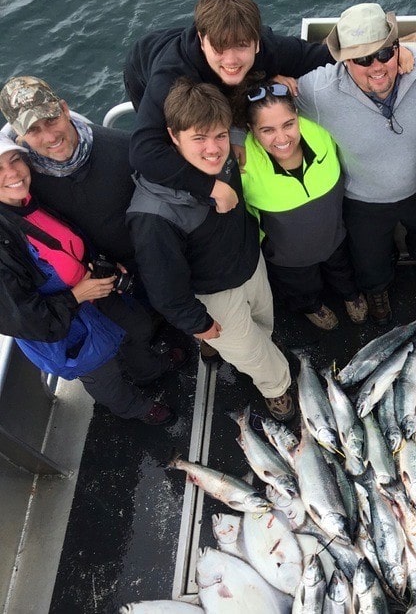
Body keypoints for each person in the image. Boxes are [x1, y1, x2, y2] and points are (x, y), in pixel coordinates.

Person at [126, 78, 295, 421]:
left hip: (249, 262)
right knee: (254, 355)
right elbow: (164, 288)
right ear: (173, 136)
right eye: (198, 138)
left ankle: (226, 346)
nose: (213, 149)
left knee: (264, 322)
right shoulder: (153, 217)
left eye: (219, 135)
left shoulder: (227, 155)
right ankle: (276, 388)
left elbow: (233, 130)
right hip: (213, 296)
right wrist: (198, 323)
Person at [0, 136, 183, 426]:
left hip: (96, 299)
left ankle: (150, 369)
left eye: (15, 160)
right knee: (104, 375)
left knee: (131, 335)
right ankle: (134, 407)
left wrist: (102, 263)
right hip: (68, 332)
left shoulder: (31, 198)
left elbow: (71, 240)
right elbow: (26, 319)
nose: (11, 173)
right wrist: (76, 296)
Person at [296, 3, 416, 324]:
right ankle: (377, 291)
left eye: (384, 53)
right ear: (344, 60)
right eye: (362, 59)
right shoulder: (317, 91)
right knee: (369, 260)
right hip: (363, 199)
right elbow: (262, 81)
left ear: (397, 48)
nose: (376, 66)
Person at [123, 0, 334, 215]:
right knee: (183, 141)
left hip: (203, 57)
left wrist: (264, 79)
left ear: (257, 43)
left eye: (242, 45)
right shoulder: (170, 79)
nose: (231, 60)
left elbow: (323, 56)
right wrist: (211, 188)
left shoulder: (269, 48)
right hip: (145, 67)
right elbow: (143, 150)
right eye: (220, 47)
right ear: (202, 41)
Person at [241, 81, 367, 330]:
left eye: (288, 124)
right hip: (288, 257)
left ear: (297, 116)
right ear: (251, 129)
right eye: (267, 130)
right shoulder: (242, 162)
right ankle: (312, 306)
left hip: (334, 238)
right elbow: (242, 215)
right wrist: (265, 244)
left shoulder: (321, 131)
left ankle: (350, 295)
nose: (282, 138)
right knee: (301, 288)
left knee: (343, 272)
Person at [0, 76, 139, 272]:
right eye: (33, 129)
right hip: (92, 273)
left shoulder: (125, 148)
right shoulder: (21, 177)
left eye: (51, 120)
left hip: (146, 258)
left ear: (65, 110)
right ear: (18, 132)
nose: (50, 136)